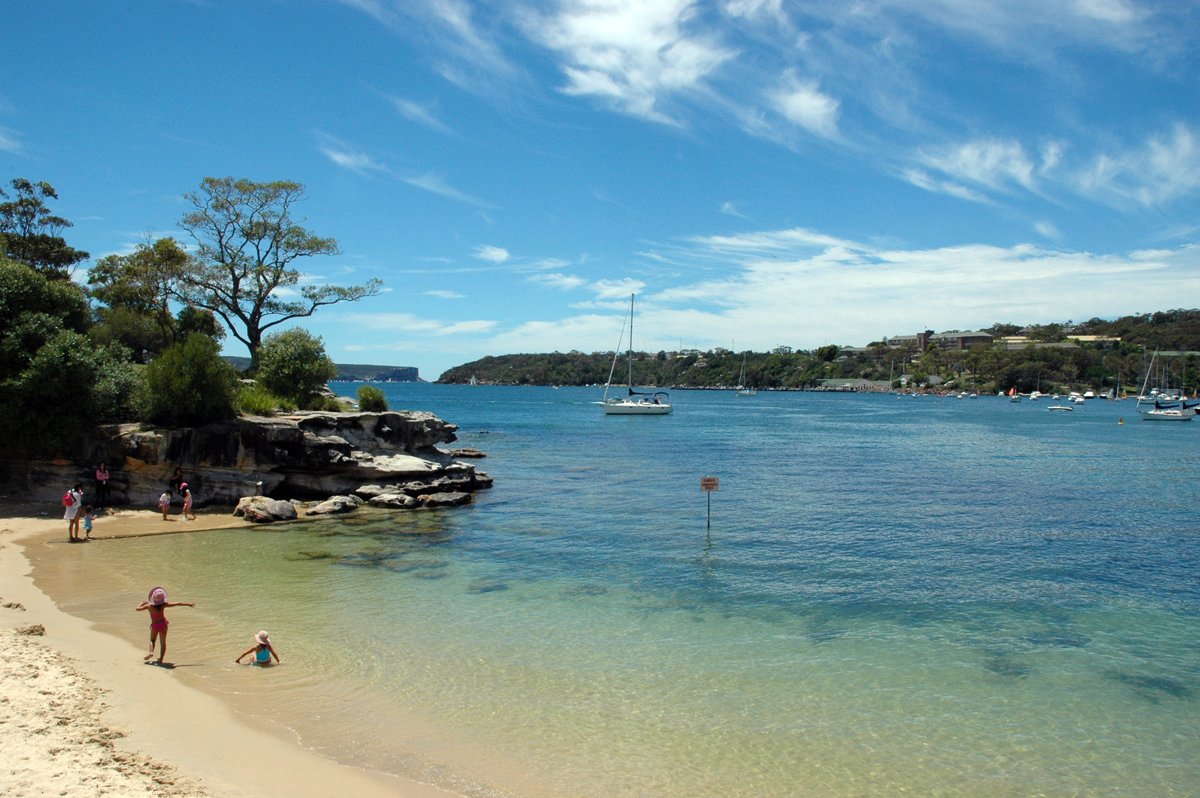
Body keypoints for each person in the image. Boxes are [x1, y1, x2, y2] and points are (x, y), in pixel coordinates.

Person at [135, 586, 194, 665]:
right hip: (163, 624)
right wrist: (188, 604)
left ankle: (151, 652)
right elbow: (177, 603)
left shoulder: (149, 606)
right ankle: (161, 659)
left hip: (155, 625)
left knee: (152, 640)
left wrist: (141, 603)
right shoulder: (163, 605)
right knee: (163, 643)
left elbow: (137, 609)